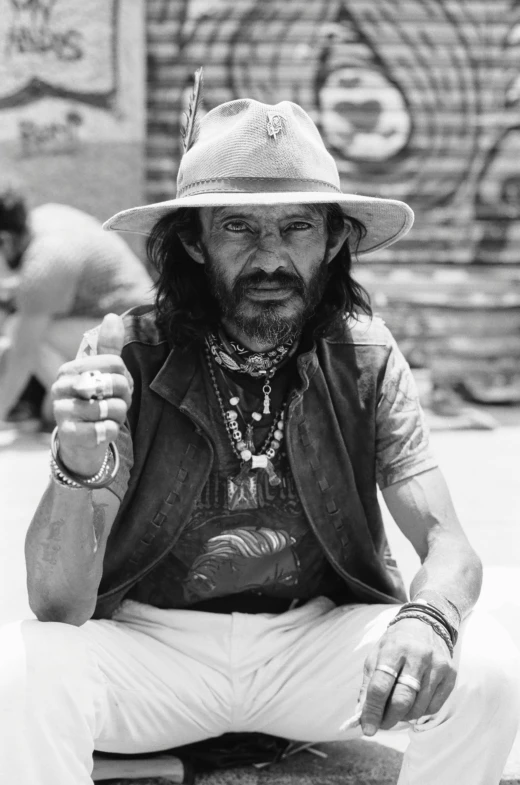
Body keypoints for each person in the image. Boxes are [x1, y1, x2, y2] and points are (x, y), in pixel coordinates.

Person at [1, 88, 518, 785]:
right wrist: (76, 464)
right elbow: (58, 607)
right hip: (152, 651)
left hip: (315, 647)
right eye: (239, 226)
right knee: (21, 669)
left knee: (486, 666)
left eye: (298, 226)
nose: (271, 257)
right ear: (193, 239)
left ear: (334, 239)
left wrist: (429, 616)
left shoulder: (362, 354)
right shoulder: (127, 350)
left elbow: (450, 544)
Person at [0, 192, 154, 427]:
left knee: (17, 329)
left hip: (133, 336)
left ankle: (79, 408)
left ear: (6, 239)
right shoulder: (47, 216)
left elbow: (23, 353)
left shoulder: (45, 263)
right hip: (142, 321)